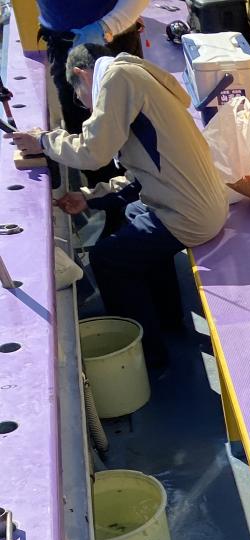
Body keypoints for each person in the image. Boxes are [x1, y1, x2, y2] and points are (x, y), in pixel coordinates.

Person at [15, 45, 228, 368]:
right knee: (133, 213)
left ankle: (148, 358)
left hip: (189, 214)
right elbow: (139, 177)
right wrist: (89, 196)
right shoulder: (139, 76)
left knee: (108, 259)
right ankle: (167, 318)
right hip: (205, 203)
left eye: (80, 98)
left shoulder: (117, 79)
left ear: (81, 75)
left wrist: (44, 141)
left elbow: (92, 152)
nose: (87, 107)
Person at [37, 1, 147, 181]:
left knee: (131, 134)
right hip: (60, 42)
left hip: (111, 41)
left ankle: (133, 191)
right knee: (82, 128)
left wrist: (108, 26)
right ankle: (101, 192)